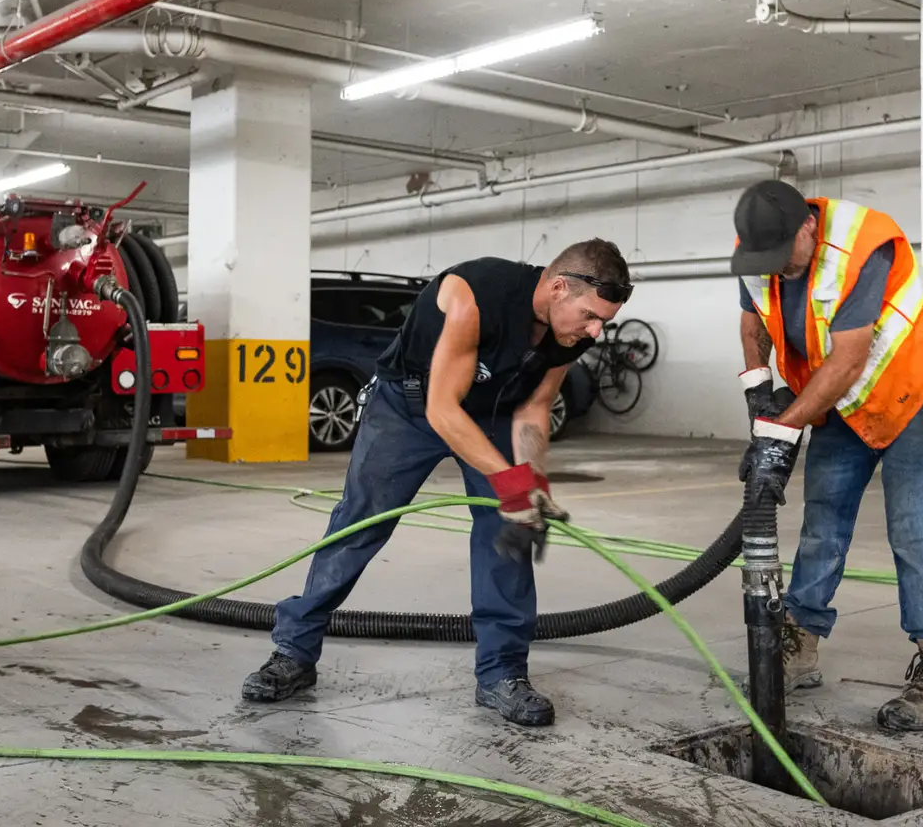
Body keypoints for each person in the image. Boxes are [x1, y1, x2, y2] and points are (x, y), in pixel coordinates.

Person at [241, 240, 633, 726]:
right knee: (359, 523)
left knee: (508, 531)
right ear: (557, 287)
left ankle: (502, 674)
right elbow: (442, 410)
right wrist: (509, 482)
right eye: (592, 315)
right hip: (410, 407)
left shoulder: (572, 333)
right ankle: (294, 653)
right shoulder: (475, 296)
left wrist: (528, 483)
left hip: (492, 411)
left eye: (604, 321)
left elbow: (534, 409)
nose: (597, 330)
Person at [729, 179, 923, 732]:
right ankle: (800, 647)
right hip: (840, 394)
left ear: (808, 228)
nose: (774, 269)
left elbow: (847, 360)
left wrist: (779, 432)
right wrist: (758, 396)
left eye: (783, 256)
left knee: (914, 528)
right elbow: (753, 323)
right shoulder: (759, 250)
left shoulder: (861, 245)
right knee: (824, 520)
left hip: (914, 384)